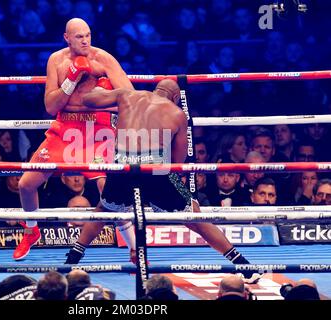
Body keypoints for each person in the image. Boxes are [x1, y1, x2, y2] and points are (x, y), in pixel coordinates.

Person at [65, 79, 261, 283]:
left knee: (103, 211)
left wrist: (98, 88)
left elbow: (88, 99)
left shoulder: (127, 95)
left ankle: (71, 260)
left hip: (122, 167)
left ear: (155, 89)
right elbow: (177, 160)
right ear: (175, 98)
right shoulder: (176, 114)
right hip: (156, 170)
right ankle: (244, 266)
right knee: (195, 216)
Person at [14, 18, 135, 260]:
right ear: (66, 38)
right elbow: (50, 106)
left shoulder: (104, 59)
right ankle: (31, 230)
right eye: (79, 36)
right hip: (64, 127)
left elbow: (130, 96)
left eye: (88, 35)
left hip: (96, 128)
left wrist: (103, 94)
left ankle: (135, 249)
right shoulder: (56, 61)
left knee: (109, 189)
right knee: (26, 184)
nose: (85, 40)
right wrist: (71, 80)